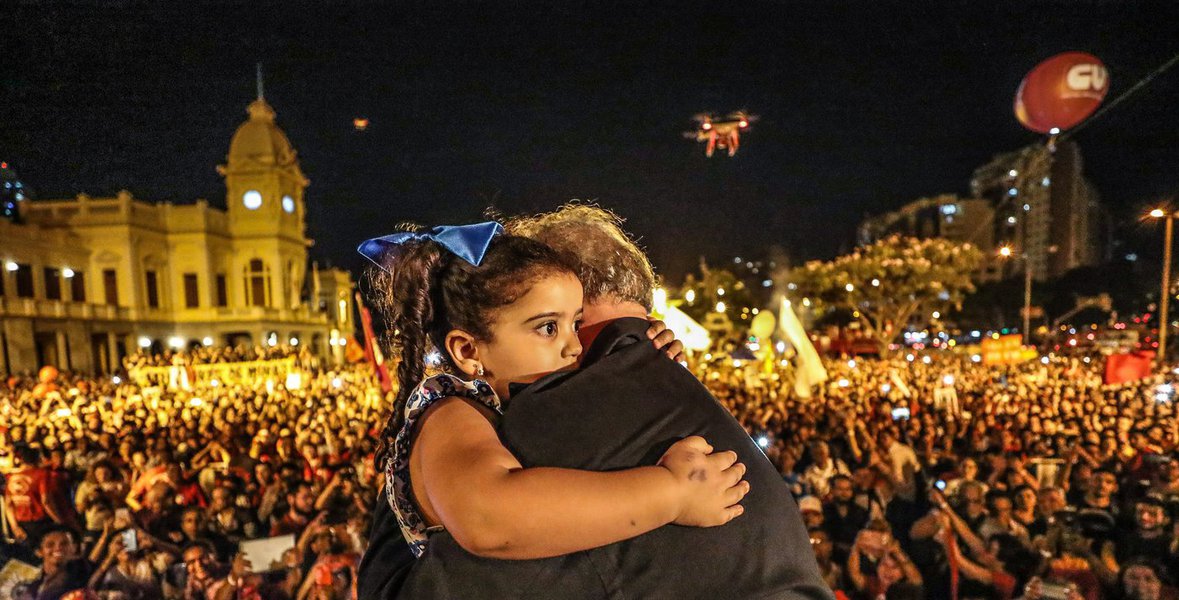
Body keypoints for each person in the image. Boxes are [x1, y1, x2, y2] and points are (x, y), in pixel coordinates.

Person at [369, 208, 830, 598]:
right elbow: (490, 516)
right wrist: (671, 492)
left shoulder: (495, 405)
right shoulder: (448, 413)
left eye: (576, 325)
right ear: (468, 350)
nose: (574, 348)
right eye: (549, 327)